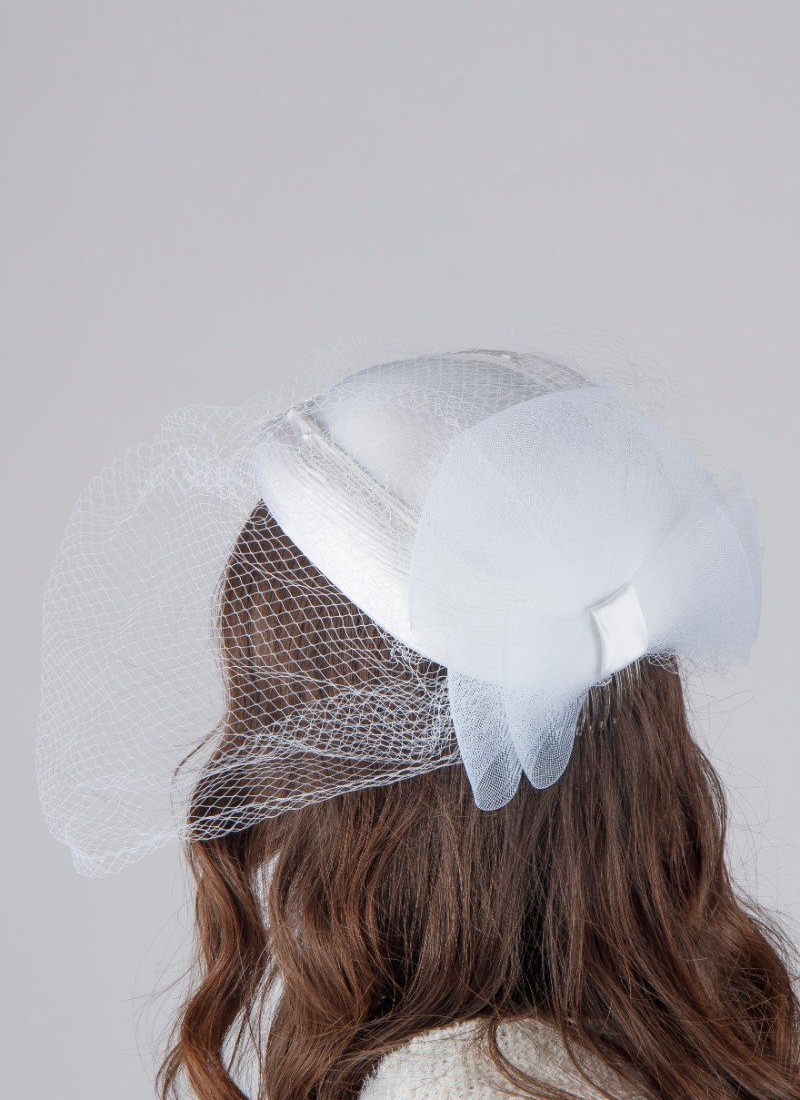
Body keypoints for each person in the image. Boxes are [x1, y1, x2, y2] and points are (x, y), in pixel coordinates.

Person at [37, 342, 800, 1100]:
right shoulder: (716, 1047)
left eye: (283, 717)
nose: (266, 776)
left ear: (356, 776)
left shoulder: (461, 1086)